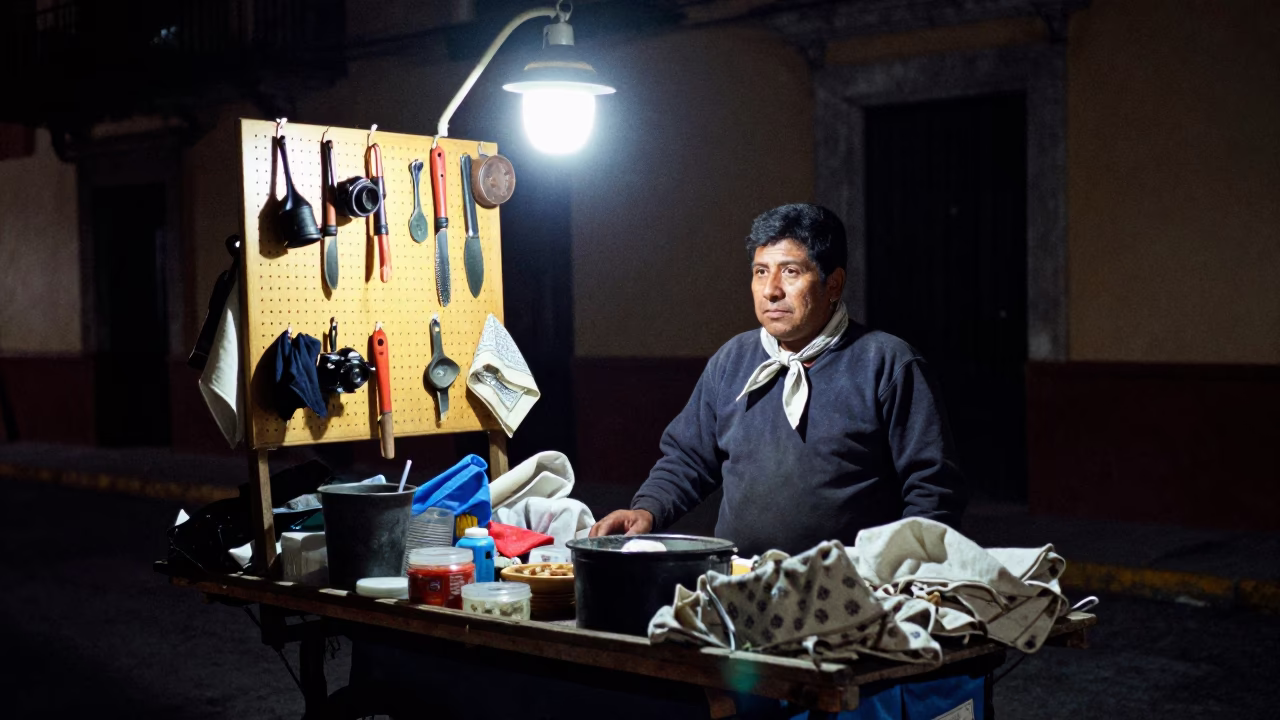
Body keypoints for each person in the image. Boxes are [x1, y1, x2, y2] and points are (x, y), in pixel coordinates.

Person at [589, 203, 967, 556]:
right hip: (741, 580)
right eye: (760, 272)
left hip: (851, 592)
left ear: (833, 284)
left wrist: (898, 571)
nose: (771, 290)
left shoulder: (886, 362)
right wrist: (648, 511)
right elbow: (689, 458)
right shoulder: (733, 360)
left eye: (790, 271)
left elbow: (933, 488)